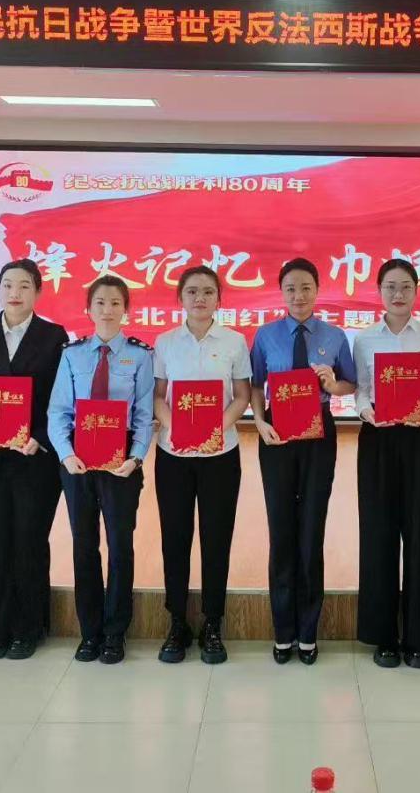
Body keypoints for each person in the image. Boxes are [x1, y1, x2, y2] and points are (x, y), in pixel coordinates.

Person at [0, 259, 69, 661]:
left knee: (29, 541)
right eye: (7, 284)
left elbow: (59, 399)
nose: (14, 292)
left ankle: (29, 627)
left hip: (34, 461)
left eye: (24, 285)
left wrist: (39, 438)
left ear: (38, 291)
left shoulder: (54, 337)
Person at [250, 258, 357, 665]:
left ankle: (308, 631)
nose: (299, 295)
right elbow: (256, 384)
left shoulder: (334, 335)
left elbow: (350, 383)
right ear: (282, 292)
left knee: (312, 529)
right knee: (281, 529)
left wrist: (333, 383)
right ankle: (283, 631)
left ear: (317, 290)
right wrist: (259, 421)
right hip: (276, 431)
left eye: (306, 287)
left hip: (318, 432)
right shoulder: (266, 335)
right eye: (291, 288)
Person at [48, 275, 155, 663]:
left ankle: (115, 632)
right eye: (100, 303)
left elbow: (144, 414)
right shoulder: (72, 354)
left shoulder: (141, 356)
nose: (107, 310)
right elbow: (58, 411)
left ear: (126, 309)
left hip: (121, 462)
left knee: (120, 546)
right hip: (77, 462)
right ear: (88, 309)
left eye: (115, 303)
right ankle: (89, 631)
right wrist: (65, 454)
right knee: (84, 545)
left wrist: (136, 457)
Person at [153, 266, 252, 664]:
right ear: (180, 298)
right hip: (173, 455)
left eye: (208, 292)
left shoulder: (235, 341)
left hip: (220, 455)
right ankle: (177, 621)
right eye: (192, 291)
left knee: (216, 538)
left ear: (219, 299)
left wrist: (214, 429)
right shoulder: (164, 342)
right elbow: (158, 395)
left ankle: (213, 622)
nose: (200, 298)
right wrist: (178, 427)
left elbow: (242, 395)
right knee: (174, 538)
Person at [352, 258, 420, 670]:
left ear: (417, 291)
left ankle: (418, 639)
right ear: (378, 291)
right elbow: (360, 390)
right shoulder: (364, 340)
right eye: (390, 286)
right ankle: (384, 637)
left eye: (406, 286)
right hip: (378, 440)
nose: (398, 294)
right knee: (379, 535)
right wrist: (366, 410)